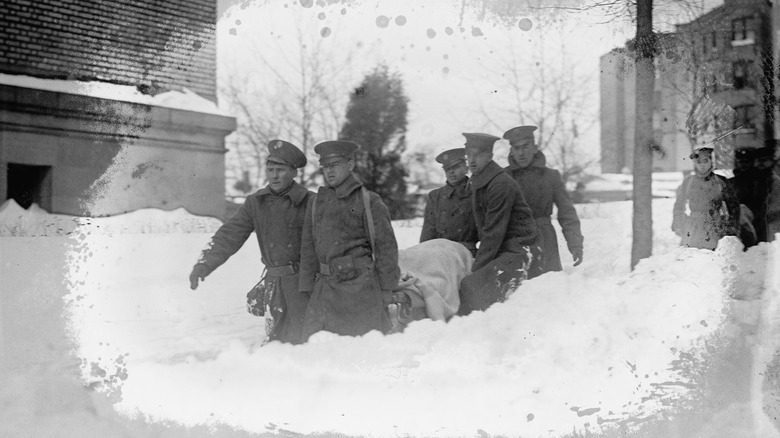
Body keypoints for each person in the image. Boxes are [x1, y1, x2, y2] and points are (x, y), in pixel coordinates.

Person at [189, 140, 313, 344]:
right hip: (274, 288)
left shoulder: (311, 202)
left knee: (305, 345)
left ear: (294, 173)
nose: (273, 175)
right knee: (275, 343)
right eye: (270, 169)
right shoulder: (256, 203)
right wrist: (204, 264)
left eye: (280, 170)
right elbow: (230, 234)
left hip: (305, 288)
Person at [298, 140, 400, 339]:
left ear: (350, 165)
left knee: (358, 352)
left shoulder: (368, 201)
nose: (329, 172)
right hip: (324, 291)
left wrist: (387, 289)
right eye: (325, 167)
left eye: (334, 165)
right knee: (315, 349)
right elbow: (308, 248)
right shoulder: (316, 202)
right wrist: (307, 287)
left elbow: (386, 249)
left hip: (359, 291)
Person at [458, 132, 540, 315]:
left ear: (489, 156)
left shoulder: (500, 183)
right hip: (502, 248)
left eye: (477, 155)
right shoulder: (479, 181)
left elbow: (493, 232)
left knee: (471, 284)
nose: (471, 160)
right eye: (468, 155)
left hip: (521, 250)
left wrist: (475, 267)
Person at [503, 125, 584, 272]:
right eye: (516, 148)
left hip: (545, 241)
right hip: (514, 242)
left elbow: (567, 213)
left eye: (525, 147)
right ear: (511, 151)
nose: (521, 153)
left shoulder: (551, 176)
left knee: (548, 287)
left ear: (535, 148)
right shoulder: (504, 178)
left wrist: (575, 244)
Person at [671, 143, 740, 250]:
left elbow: (733, 206)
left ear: (711, 162)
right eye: (699, 162)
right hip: (693, 228)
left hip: (715, 227)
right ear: (695, 163)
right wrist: (678, 224)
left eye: (705, 161)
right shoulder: (688, 182)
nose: (702, 165)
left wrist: (730, 227)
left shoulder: (721, 181)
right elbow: (679, 205)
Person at [419, 148, 479, 256]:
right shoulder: (435, 196)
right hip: (441, 254)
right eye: (447, 169)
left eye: (456, 167)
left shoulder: (476, 193)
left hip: (468, 254)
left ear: (466, 168)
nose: (451, 172)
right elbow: (428, 232)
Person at [732, 146, 780, 244]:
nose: (761, 163)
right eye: (758, 160)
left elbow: (770, 206)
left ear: (771, 161)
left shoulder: (773, 180)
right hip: (757, 223)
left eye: (764, 160)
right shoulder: (757, 179)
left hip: (771, 224)